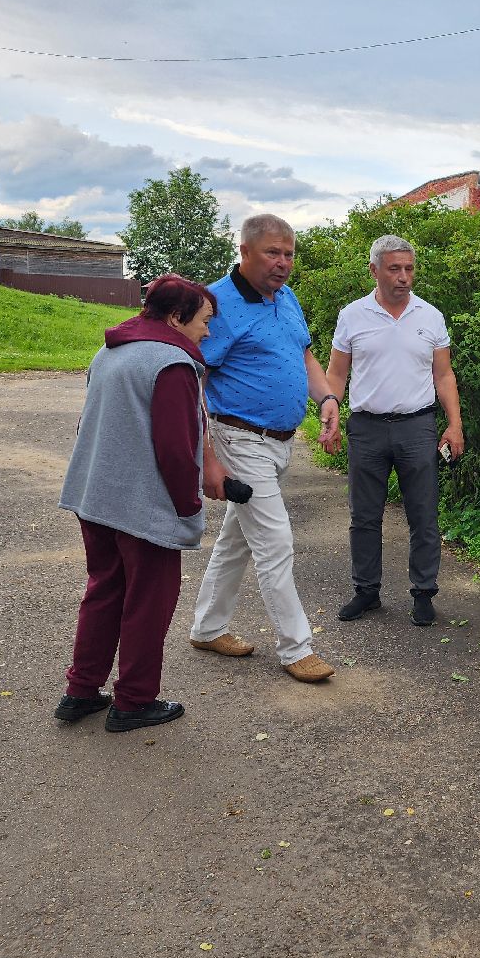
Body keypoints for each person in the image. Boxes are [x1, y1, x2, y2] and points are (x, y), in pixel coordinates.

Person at [57, 274, 217, 732]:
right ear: (175, 318)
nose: (207, 332)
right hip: (143, 506)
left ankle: (81, 691)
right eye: (204, 321)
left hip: (96, 497)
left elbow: (88, 421)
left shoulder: (109, 352)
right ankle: (133, 701)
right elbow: (175, 447)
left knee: (104, 591)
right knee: (149, 602)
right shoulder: (171, 363)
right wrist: (188, 505)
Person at [187, 214, 343, 683]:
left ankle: (207, 627)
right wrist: (207, 457)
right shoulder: (217, 305)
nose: (283, 263)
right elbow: (195, 377)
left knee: (237, 541)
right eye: (273, 253)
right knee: (275, 542)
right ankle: (297, 648)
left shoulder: (287, 297)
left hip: (279, 443)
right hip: (238, 438)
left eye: (289, 253)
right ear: (245, 251)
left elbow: (303, 354)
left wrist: (328, 398)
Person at [325, 235, 464, 627]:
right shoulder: (352, 315)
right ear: (374, 270)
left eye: (409, 268)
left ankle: (423, 593)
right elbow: (337, 372)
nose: (404, 277)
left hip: (417, 427)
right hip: (367, 428)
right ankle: (366, 591)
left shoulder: (430, 316)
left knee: (424, 514)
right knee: (364, 516)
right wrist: (330, 411)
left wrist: (454, 424)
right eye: (394, 268)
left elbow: (443, 374)